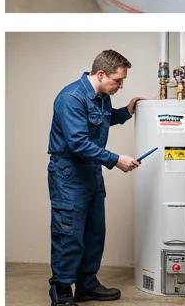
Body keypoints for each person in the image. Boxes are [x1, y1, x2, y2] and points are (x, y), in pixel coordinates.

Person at [48, 49, 145, 305]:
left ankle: (87, 284)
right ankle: (61, 291)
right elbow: (78, 142)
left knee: (93, 233)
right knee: (68, 234)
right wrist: (116, 160)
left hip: (91, 172)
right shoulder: (72, 97)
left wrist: (127, 110)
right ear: (101, 74)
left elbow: (103, 120)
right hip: (69, 173)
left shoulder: (101, 97)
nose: (120, 86)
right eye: (118, 80)